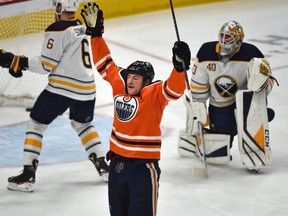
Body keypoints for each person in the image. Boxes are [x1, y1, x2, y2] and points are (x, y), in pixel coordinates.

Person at [80, 3, 191, 215]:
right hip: (116, 166)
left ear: (146, 81)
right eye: (129, 76)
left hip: (142, 168)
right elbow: (106, 64)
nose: (130, 81)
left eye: (136, 78)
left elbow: (174, 90)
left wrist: (179, 67)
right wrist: (95, 35)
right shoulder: (120, 83)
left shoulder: (154, 94)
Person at [0, 0, 109, 192]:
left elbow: (45, 65)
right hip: (87, 88)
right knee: (83, 124)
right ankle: (103, 166)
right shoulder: (82, 27)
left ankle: (27, 175)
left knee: (36, 124)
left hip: (62, 89)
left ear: (59, 7)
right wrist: (19, 62)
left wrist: (18, 61)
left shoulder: (58, 28)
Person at [178, 20, 277, 167]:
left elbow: (267, 85)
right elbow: (198, 90)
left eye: (229, 37)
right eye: (223, 36)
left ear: (239, 39)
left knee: (253, 105)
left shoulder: (252, 54)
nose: (224, 40)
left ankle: (255, 148)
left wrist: (261, 84)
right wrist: (199, 111)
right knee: (215, 155)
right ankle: (193, 139)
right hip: (219, 107)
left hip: (244, 106)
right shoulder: (206, 52)